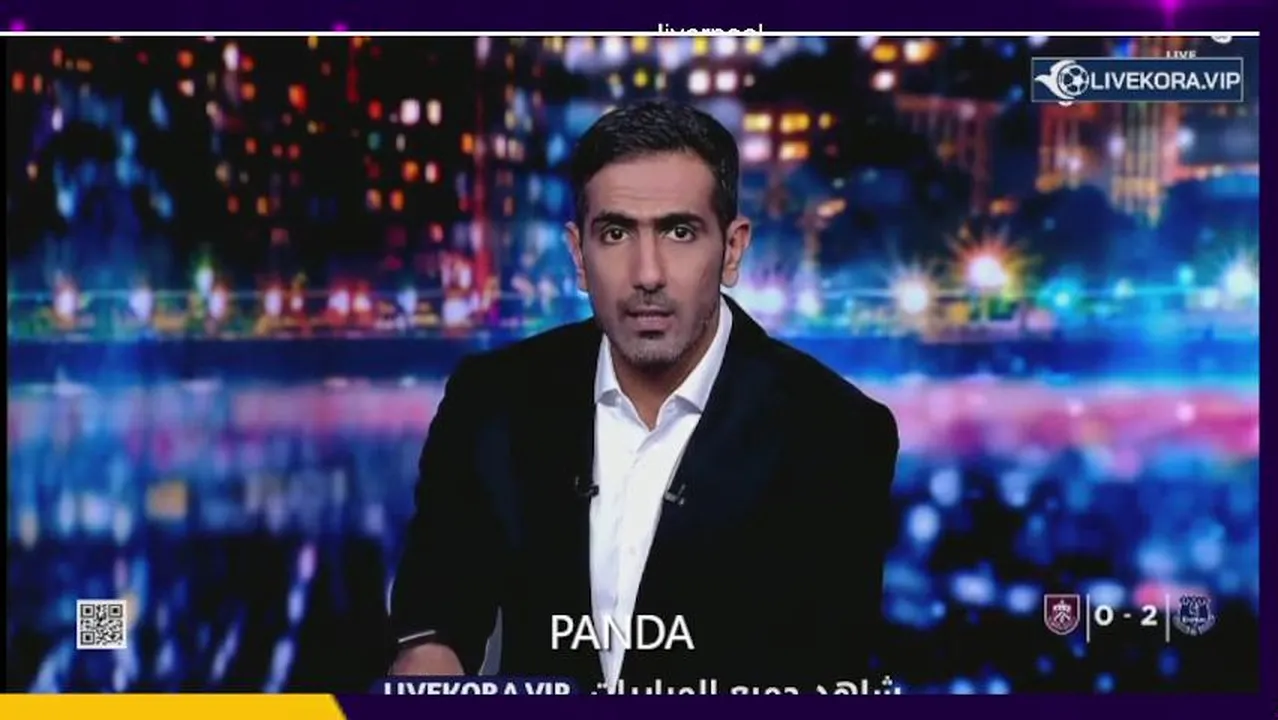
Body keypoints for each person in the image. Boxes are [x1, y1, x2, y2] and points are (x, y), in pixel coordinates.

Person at [388, 100, 899, 693]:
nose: (648, 274)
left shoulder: (838, 432)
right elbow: (436, 607)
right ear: (579, 255)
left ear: (732, 249)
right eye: (616, 233)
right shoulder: (491, 399)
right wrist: (429, 662)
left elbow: (826, 673)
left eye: (680, 232)